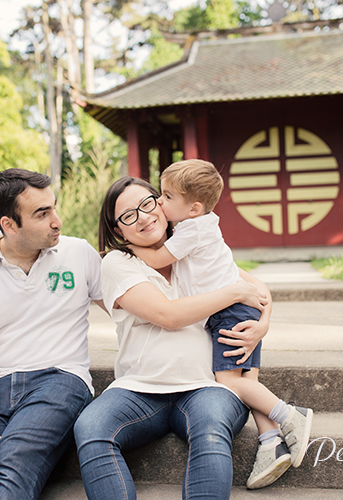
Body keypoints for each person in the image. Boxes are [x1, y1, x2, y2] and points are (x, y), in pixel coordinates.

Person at [73, 176, 274, 500]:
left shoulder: (194, 249)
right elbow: (168, 315)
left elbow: (257, 289)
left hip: (206, 387)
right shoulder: (117, 263)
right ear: (117, 230)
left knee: (211, 430)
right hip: (139, 389)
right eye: (128, 215)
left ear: (163, 203)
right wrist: (233, 291)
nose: (143, 216)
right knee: (91, 428)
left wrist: (263, 322)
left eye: (148, 203)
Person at [126, 160, 314, 489]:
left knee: (228, 382)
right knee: (247, 379)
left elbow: (156, 259)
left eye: (165, 197)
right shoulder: (203, 224)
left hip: (230, 314)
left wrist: (125, 245)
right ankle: (270, 442)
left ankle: (289, 416)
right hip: (239, 310)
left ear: (194, 207)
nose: (158, 202)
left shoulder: (190, 230)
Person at [0, 168, 104, 500]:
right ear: (9, 224)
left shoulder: (78, 255)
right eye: (42, 214)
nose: (57, 221)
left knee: (6, 477)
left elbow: (138, 305)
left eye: (54, 208)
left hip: (60, 381)